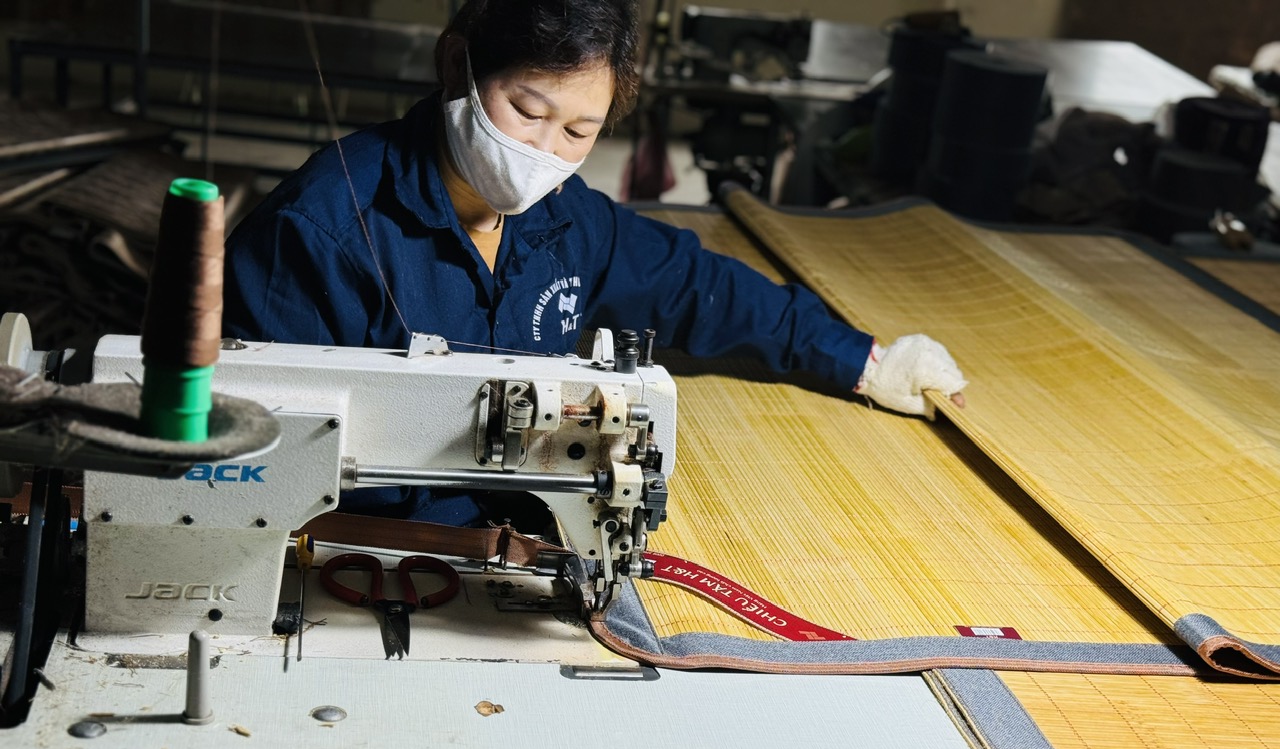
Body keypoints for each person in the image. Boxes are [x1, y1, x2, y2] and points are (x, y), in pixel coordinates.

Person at [222, 0, 966, 524]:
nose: (544, 153)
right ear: (457, 66)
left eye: (579, 131)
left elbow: (694, 285)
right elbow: (259, 461)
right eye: (527, 111)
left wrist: (863, 359)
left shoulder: (564, 218)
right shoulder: (316, 232)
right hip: (370, 558)